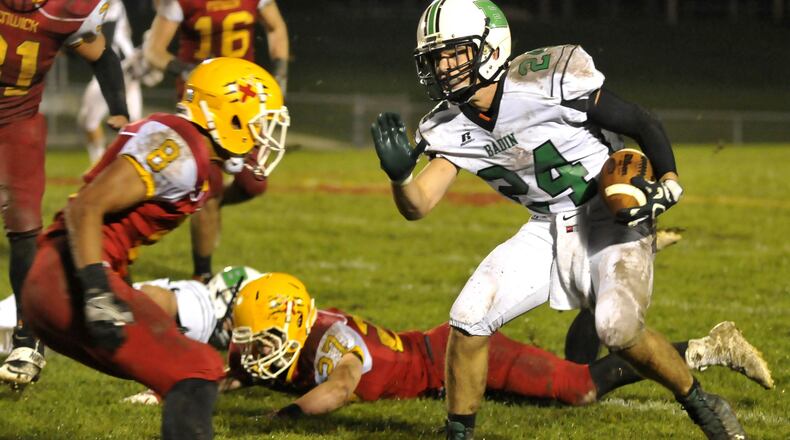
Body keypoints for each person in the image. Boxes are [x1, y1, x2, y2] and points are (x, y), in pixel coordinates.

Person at [370, 1, 747, 438]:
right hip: (545, 226)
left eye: (456, 53)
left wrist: (669, 179)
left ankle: (701, 404)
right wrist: (399, 177)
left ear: (490, 47)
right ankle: (459, 433)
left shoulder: (545, 78)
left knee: (616, 328)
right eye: (437, 57)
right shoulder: (447, 126)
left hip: (609, 213)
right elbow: (419, 204)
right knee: (469, 317)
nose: (444, 66)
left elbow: (639, 120)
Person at [17, 57, 288, 439]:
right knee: (197, 368)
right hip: (67, 279)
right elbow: (87, 206)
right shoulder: (181, 151)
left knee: (188, 367)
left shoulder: (190, 148)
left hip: (65, 274)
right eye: (260, 124)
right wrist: (97, 290)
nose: (264, 137)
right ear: (232, 118)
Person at [121, 272, 773, 413]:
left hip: (455, 356)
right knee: (559, 393)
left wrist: (283, 419)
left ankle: (708, 346)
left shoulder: (328, 346)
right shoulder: (292, 340)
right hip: (435, 365)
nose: (255, 350)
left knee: (577, 391)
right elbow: (242, 368)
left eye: (266, 339)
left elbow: (342, 386)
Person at [0, 0, 130, 391]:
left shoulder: (66, 11)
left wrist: (120, 110)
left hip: (16, 123)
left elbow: (102, 56)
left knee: (23, 229)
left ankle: (27, 337)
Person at [144, 0, 290, 282]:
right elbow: (154, 51)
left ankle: (211, 202)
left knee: (254, 183)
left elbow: (276, 27)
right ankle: (203, 274)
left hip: (244, 103)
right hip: (205, 105)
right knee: (208, 190)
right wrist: (184, 69)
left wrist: (281, 70)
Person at [78, 0, 164, 164]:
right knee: (132, 129)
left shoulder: (108, 4)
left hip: (118, 69)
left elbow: (105, 37)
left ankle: (102, 164)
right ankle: (109, 163)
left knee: (90, 120)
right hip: (125, 68)